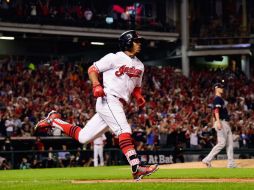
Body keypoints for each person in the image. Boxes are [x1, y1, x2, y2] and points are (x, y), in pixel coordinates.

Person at [35, 30, 158, 181]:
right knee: (124, 130)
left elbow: (137, 86)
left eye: (139, 41)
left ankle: (54, 121)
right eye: (136, 41)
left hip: (118, 104)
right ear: (127, 42)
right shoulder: (114, 58)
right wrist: (96, 85)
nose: (139, 44)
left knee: (83, 137)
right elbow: (92, 69)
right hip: (109, 99)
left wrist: (138, 96)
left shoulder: (140, 65)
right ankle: (136, 167)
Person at [202, 82, 236, 168]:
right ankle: (207, 159)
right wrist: (217, 122)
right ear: (216, 88)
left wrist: (214, 122)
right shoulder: (217, 99)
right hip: (221, 122)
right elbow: (216, 110)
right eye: (220, 87)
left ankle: (231, 164)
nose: (222, 89)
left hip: (225, 123)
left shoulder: (220, 99)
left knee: (230, 144)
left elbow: (214, 111)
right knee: (222, 143)